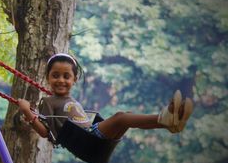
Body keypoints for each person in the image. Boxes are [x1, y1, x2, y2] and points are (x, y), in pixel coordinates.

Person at [18, 53, 194, 146]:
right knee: (120, 117)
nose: (61, 80)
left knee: (127, 117)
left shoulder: (69, 99)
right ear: (47, 77)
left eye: (66, 76)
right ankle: (163, 117)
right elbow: (44, 131)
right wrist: (27, 110)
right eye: (55, 75)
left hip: (93, 137)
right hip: (87, 140)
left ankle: (169, 123)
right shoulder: (48, 102)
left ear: (74, 80)